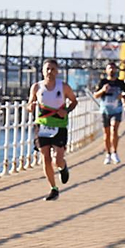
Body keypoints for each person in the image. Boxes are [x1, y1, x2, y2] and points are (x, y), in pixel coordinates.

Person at [27, 59, 77, 200]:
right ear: (42, 71)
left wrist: (66, 110)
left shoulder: (64, 87)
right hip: (42, 125)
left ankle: (63, 167)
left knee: (57, 159)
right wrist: (30, 106)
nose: (50, 72)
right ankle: (53, 189)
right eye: (47, 69)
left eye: (53, 69)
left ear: (57, 71)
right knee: (45, 157)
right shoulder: (36, 87)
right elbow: (30, 103)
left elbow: (74, 101)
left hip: (59, 125)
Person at [92, 62, 125, 164]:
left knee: (114, 129)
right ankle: (108, 154)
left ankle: (115, 152)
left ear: (116, 70)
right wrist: (103, 90)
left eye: (113, 68)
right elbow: (95, 95)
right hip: (105, 110)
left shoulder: (120, 82)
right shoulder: (103, 82)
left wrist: (122, 96)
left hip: (116, 110)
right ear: (106, 70)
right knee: (107, 133)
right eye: (109, 68)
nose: (112, 70)